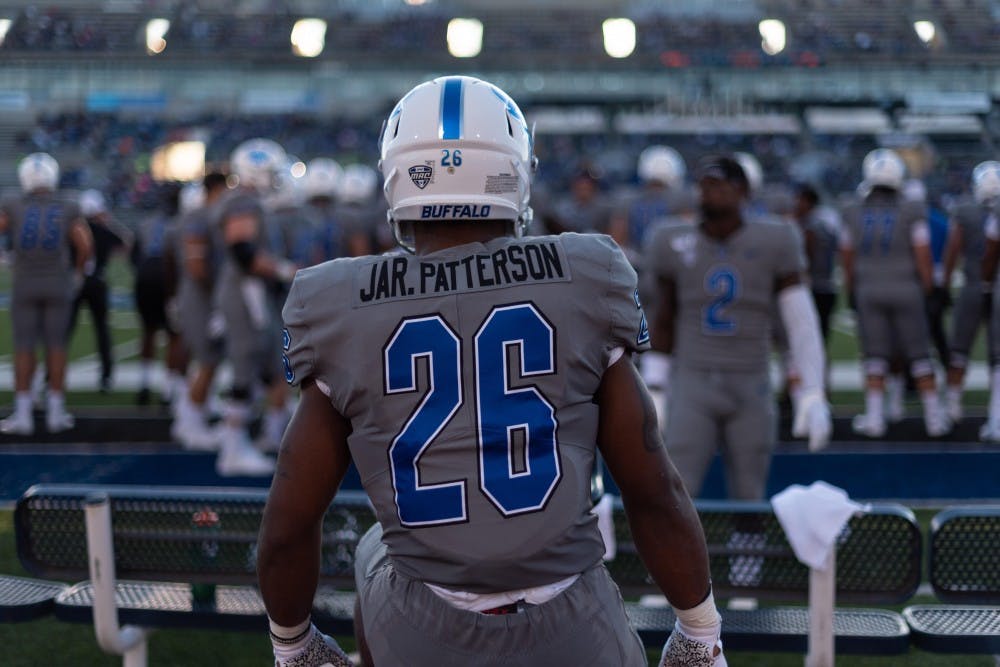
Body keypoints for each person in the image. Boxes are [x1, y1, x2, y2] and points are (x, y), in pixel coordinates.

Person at [257, 76, 726, 667]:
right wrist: (698, 632)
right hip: (571, 621)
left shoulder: (336, 302)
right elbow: (652, 484)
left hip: (423, 625)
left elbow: (289, 524)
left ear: (398, 176)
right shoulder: (586, 273)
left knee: (377, 548)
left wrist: (293, 646)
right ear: (513, 173)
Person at [641, 155, 831, 505]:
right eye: (704, 183)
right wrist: (655, 385)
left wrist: (812, 389)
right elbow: (663, 317)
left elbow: (800, 320)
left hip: (752, 381)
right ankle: (682, 560)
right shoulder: (673, 239)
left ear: (742, 190)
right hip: (694, 380)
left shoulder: (776, 239)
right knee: (678, 489)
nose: (707, 190)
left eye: (718, 183)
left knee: (749, 488)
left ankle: (748, 559)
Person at [840, 149, 949, 438]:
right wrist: (929, 288)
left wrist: (852, 288)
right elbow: (922, 253)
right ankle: (934, 420)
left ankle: (875, 419)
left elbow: (847, 256)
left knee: (874, 355)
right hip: (905, 286)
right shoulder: (911, 209)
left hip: (868, 288)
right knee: (920, 354)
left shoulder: (852, 210)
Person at [212, 138, 298, 476]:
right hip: (244, 292)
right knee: (245, 363)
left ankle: (245, 439)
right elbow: (243, 251)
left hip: (250, 292)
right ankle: (232, 448)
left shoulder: (247, 201)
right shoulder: (243, 201)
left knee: (262, 361)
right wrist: (283, 269)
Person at [0, 153, 92, 434]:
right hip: (58, 283)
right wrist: (77, 273)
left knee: (24, 347)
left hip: (25, 282)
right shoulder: (67, 205)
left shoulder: (13, 203)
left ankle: (24, 414)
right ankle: (55, 412)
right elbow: (84, 244)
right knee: (57, 346)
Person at [171, 173, 229, 450]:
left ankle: (194, 416)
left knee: (211, 360)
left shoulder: (207, 215)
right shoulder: (199, 216)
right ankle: (189, 425)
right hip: (200, 297)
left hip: (203, 295)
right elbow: (196, 266)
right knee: (206, 360)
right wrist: (217, 297)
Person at [942, 163, 999, 424]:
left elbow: (953, 249)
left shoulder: (965, 210)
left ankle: (952, 404)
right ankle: (995, 411)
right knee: (997, 354)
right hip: (995, 286)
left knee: (960, 349)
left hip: (973, 284)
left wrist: (943, 283)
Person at [67, 189, 132, 393]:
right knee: (102, 330)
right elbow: (125, 242)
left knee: (65, 330)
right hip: (98, 283)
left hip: (76, 282)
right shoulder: (104, 229)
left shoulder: (74, 228)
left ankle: (50, 375)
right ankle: (106, 376)